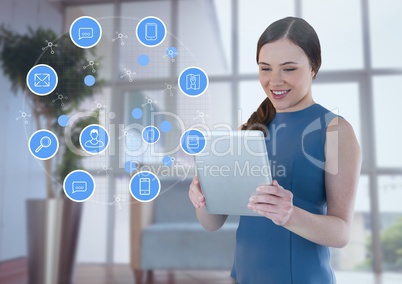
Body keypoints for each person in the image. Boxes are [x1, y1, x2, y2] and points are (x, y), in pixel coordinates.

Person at [188, 16, 361, 284]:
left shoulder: (335, 130)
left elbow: (341, 233)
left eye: (289, 69)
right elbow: (213, 223)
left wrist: (290, 216)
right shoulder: (249, 131)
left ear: (313, 68)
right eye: (265, 68)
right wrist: (202, 197)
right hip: (243, 276)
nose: (274, 81)